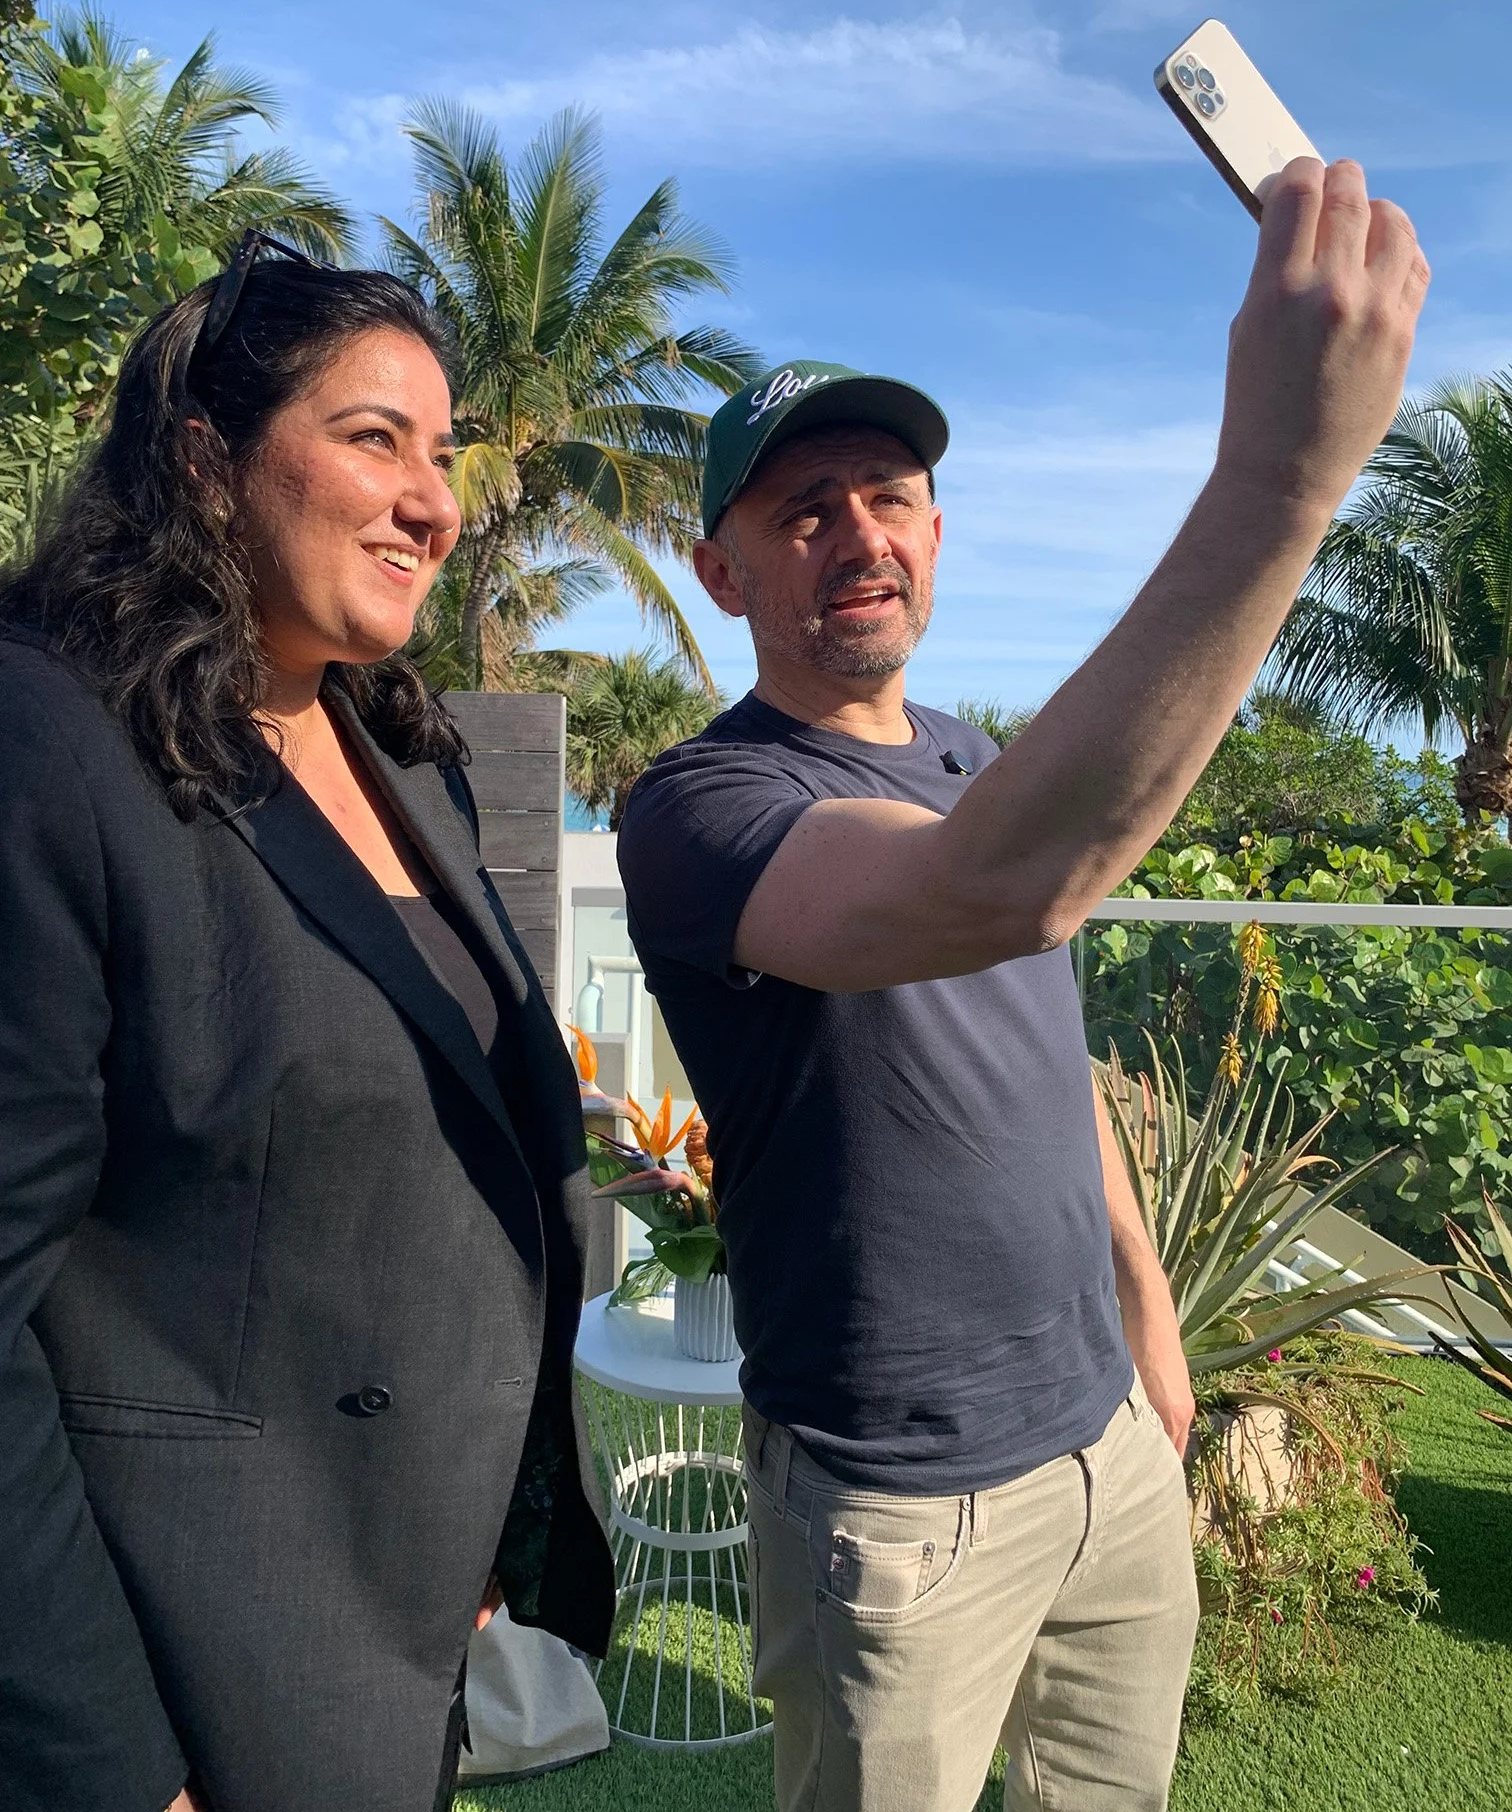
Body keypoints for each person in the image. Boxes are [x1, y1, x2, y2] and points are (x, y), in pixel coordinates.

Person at [616, 157, 1429, 1812]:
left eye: (889, 495)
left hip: (1107, 1446)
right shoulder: (699, 808)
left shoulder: (979, 757)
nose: (860, 533)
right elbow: (997, 892)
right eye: (803, 508)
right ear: (725, 572)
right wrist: (1282, 479)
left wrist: (1147, 1318)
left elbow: (1049, 1059)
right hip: (897, 1505)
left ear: (937, 531)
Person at [0, 236, 614, 1812]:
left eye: (443, 450)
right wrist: (111, 1766)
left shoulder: (405, 756)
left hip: (390, 1607)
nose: (436, 499)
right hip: (203, 1650)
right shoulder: (50, 744)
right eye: (371, 438)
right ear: (208, 460)